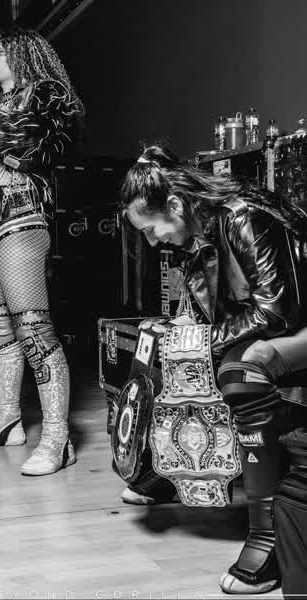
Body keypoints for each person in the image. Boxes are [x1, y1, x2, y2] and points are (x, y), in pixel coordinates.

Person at [121, 144, 307, 595]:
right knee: (168, 354)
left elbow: (276, 311)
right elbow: (214, 309)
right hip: (280, 327)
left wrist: (200, 340)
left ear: (175, 205)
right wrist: (181, 335)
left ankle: (266, 539)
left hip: (296, 326)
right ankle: (164, 474)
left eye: (151, 229)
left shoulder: (242, 217)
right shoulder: (201, 229)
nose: (152, 242)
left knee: (239, 374)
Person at [0, 27, 84, 476]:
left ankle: (58, 439)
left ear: (21, 53)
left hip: (21, 218)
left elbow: (46, 141)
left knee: (33, 328)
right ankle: (7, 421)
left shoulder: (47, 93)